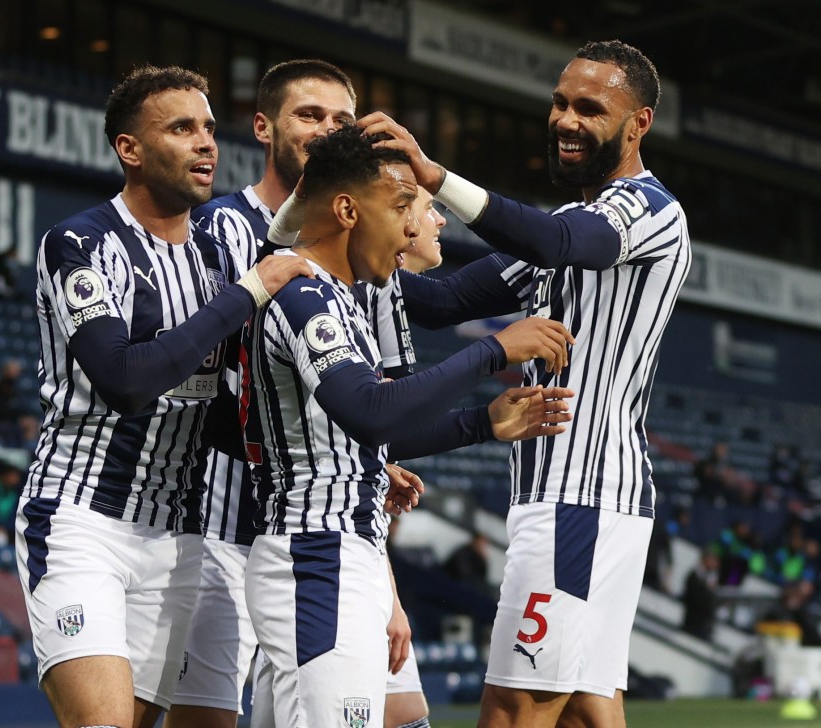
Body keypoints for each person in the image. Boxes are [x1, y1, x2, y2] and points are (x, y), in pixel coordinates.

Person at [357, 39, 691, 727]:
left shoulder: (647, 211)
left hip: (582, 494)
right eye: (561, 103)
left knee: (513, 713)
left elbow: (570, 248)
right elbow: (442, 302)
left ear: (639, 124)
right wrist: (340, 250)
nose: (567, 119)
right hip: (577, 499)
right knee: (585, 714)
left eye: (590, 108)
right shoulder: (561, 226)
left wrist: (434, 176)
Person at [242, 123, 575, 728]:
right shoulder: (304, 294)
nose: (413, 225)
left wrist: (481, 424)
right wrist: (494, 351)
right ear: (347, 210)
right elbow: (372, 413)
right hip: (315, 556)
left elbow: (366, 437)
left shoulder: (343, 298)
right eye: (402, 206)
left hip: (348, 551)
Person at [12, 64, 312, 728]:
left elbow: (216, 414)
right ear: (131, 150)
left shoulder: (215, 259)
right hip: (81, 521)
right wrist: (247, 293)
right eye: (182, 128)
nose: (206, 143)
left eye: (208, 127)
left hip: (177, 540)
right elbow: (125, 381)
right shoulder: (80, 244)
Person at [169, 59, 358, 728]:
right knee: (209, 717)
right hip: (222, 528)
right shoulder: (220, 227)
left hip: (320, 530)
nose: (328, 131)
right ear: (263, 127)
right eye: (310, 115)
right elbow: (203, 371)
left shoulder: (353, 244)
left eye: (341, 120)